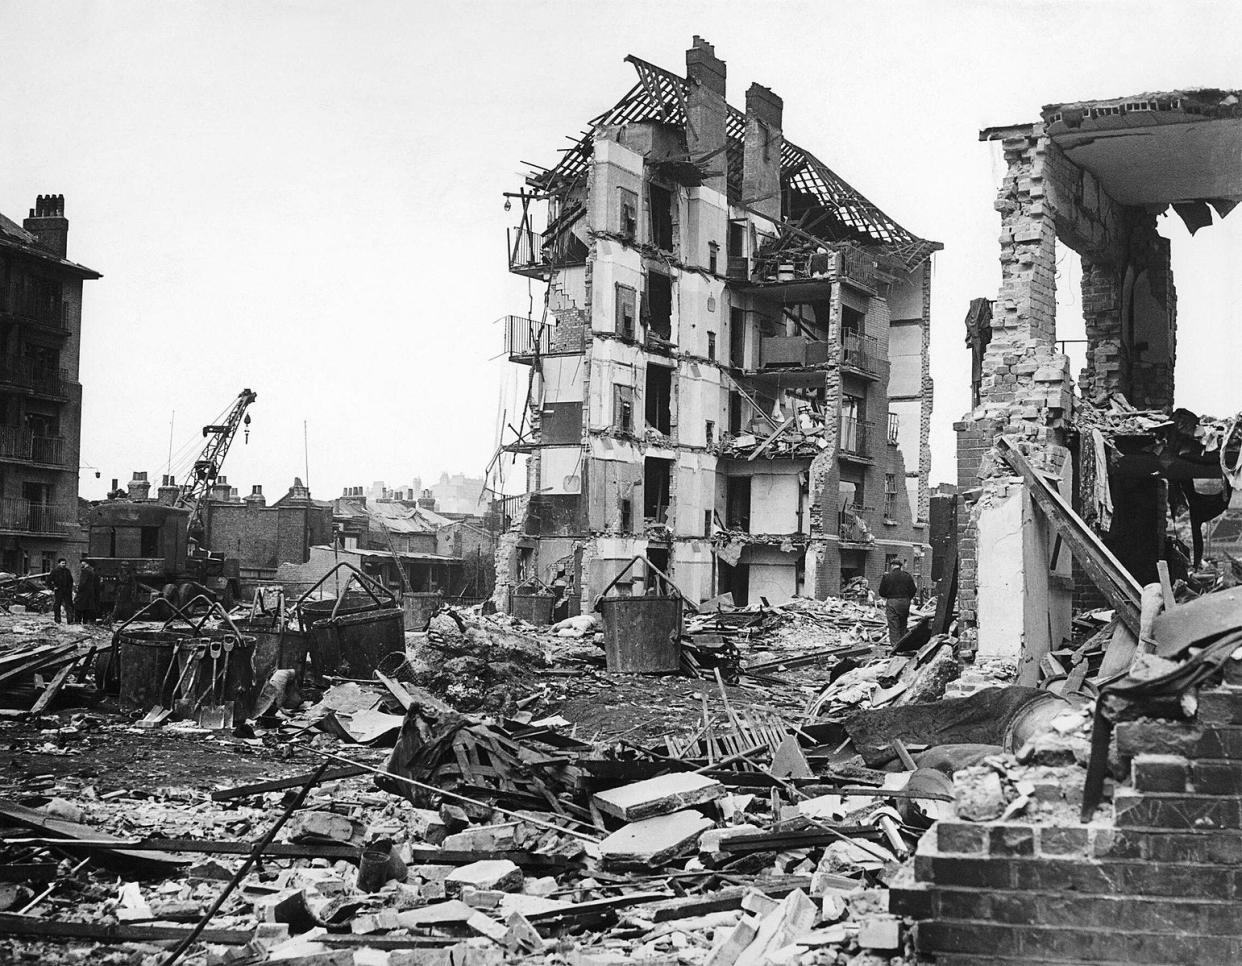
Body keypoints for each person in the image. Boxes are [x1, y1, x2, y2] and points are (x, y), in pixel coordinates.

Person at [877, 559, 917, 646]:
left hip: (892, 601)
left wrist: (888, 596)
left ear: (892, 566)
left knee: (893, 625)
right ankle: (903, 646)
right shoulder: (907, 576)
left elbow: (881, 592)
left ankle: (895, 647)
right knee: (903, 624)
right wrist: (908, 598)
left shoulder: (887, 576)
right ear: (900, 566)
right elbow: (913, 590)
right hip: (905, 602)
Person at [46, 558, 75, 624]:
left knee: (69, 605)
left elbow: (71, 580)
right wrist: (53, 587)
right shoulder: (55, 571)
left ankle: (70, 620)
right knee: (57, 605)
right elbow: (48, 581)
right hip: (59, 591)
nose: (64, 565)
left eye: (65, 563)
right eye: (62, 563)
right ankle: (57, 620)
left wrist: (70, 588)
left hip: (67, 591)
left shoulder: (67, 571)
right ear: (59, 564)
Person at [75, 560, 100, 625]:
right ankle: (85, 622)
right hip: (90, 593)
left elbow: (83, 582)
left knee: (78, 607)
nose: (81, 563)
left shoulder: (85, 571)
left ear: (86, 563)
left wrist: (78, 589)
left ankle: (77, 622)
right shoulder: (92, 571)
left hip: (83, 593)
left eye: (82, 562)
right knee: (87, 608)